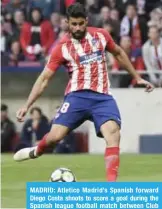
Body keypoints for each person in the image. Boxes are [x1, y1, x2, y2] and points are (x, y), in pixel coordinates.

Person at [14, 3, 154, 182]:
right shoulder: (62, 47)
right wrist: (27, 105)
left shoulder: (101, 35)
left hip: (102, 97)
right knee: (54, 137)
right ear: (67, 23)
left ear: (86, 21)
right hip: (76, 97)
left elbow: (118, 53)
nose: (78, 28)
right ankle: (37, 150)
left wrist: (137, 77)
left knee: (113, 133)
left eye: (81, 23)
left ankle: (111, 189)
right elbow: (44, 79)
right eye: (74, 24)